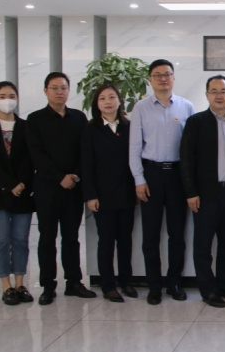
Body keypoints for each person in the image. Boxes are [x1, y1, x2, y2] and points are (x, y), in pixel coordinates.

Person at [129, 59, 195, 305]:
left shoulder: (187, 107)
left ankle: (174, 283)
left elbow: (192, 148)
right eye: (157, 75)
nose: (163, 78)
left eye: (167, 74)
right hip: (152, 175)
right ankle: (154, 285)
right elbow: (134, 147)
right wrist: (139, 179)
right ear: (150, 79)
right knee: (151, 235)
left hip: (178, 176)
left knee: (177, 234)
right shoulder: (141, 108)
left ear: (174, 77)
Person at [26, 72, 95, 305]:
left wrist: (73, 175)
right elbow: (37, 154)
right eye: (54, 88)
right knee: (47, 238)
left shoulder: (79, 118)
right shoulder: (35, 119)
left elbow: (85, 151)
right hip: (47, 188)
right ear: (45, 91)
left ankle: (74, 282)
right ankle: (48, 285)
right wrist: (59, 177)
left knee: (71, 238)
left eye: (63, 87)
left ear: (68, 90)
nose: (59, 92)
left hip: (73, 187)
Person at [180, 75, 225, 308]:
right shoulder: (196, 122)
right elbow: (186, 159)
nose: (219, 95)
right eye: (214, 91)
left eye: (223, 91)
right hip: (206, 195)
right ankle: (208, 290)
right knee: (203, 246)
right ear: (207, 95)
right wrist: (190, 192)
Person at [80, 84, 138, 303]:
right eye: (102, 98)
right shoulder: (90, 129)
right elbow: (86, 165)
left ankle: (126, 281)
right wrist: (90, 195)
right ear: (96, 103)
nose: (107, 101)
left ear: (119, 100)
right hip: (102, 196)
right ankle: (108, 285)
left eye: (112, 97)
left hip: (126, 193)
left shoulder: (129, 127)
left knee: (125, 241)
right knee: (106, 242)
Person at [0, 82, 35, 305]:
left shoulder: (26, 127)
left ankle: (20, 283)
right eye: (2, 96)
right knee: (2, 240)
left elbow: (30, 158)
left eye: (12, 95)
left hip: (23, 192)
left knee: (21, 239)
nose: (7, 100)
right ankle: (6, 286)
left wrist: (21, 184)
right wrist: (9, 184)